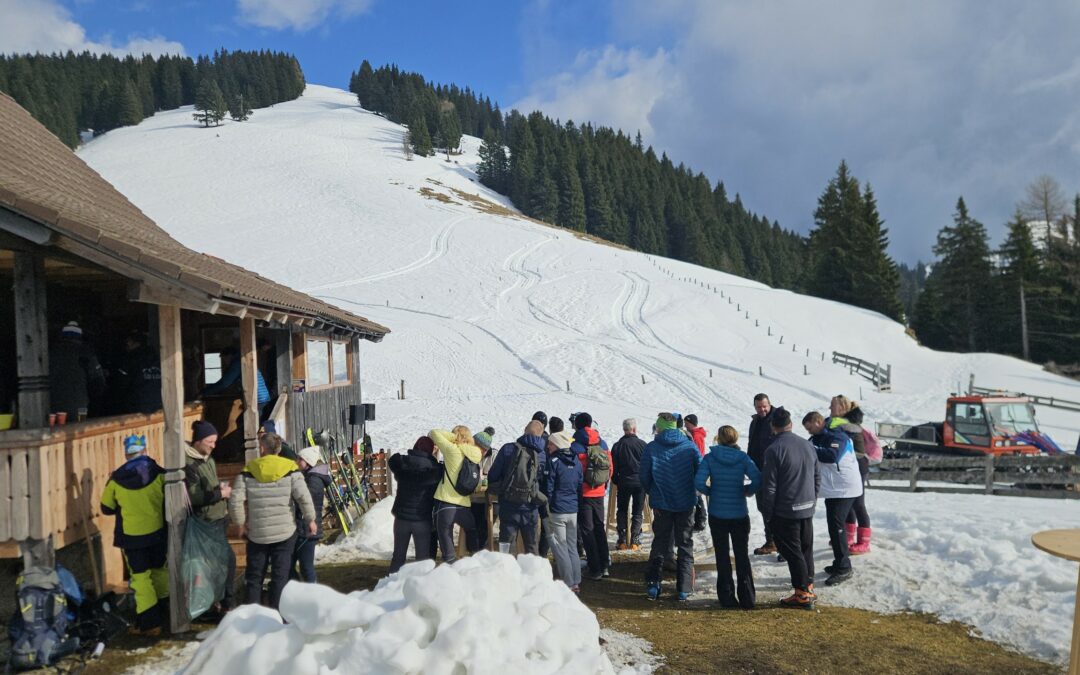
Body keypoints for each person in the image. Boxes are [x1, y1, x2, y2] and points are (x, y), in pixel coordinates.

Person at [230, 432, 317, 609]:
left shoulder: (248, 470)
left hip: (257, 533)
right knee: (280, 576)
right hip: (285, 532)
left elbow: (235, 499)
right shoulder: (291, 469)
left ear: (262, 448)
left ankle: (252, 615)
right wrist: (311, 519)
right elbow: (303, 497)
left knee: (254, 577)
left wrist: (240, 523)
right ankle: (278, 614)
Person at [100, 434, 167, 633]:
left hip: (132, 537)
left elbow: (106, 508)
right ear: (144, 450)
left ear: (126, 453)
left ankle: (149, 623)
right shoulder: (159, 473)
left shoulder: (116, 479)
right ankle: (168, 614)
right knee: (160, 572)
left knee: (140, 579)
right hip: (157, 533)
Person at [760, 409, 820, 609]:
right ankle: (808, 587)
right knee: (806, 549)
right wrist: (812, 499)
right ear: (791, 424)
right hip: (806, 506)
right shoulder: (807, 445)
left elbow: (769, 486)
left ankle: (802, 593)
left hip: (786, 509)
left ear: (773, 426)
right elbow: (816, 477)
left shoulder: (774, 449)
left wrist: (768, 513)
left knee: (792, 551)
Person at [695, 425, 760, 609]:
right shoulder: (743, 458)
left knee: (722, 556)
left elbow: (698, 482)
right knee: (741, 555)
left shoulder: (710, 458)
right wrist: (747, 490)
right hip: (739, 513)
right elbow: (758, 478)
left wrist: (710, 492)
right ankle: (747, 597)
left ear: (719, 439)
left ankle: (727, 597)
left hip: (718, 513)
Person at [640, 412, 702, 601]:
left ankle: (653, 585)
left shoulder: (652, 448)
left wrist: (653, 492)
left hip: (661, 504)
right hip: (685, 503)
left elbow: (643, 476)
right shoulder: (690, 447)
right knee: (685, 544)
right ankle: (684, 587)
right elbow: (700, 473)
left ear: (659, 428)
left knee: (660, 543)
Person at [803, 411, 862, 586]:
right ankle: (839, 562)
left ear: (818, 421)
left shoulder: (838, 436)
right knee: (834, 525)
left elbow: (831, 456)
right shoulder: (817, 438)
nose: (809, 432)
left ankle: (844, 567)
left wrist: (811, 449)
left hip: (844, 488)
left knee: (837, 526)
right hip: (833, 488)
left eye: (810, 428)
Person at [183, 420, 235, 612]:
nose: (214, 446)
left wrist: (219, 488)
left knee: (222, 562)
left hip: (218, 517)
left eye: (215, 441)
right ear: (198, 441)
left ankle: (220, 602)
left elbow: (207, 487)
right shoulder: (190, 465)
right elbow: (194, 496)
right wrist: (220, 494)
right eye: (210, 442)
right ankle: (224, 603)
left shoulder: (208, 459)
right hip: (205, 522)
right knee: (226, 561)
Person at [488, 420, 547, 554]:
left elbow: (493, 475)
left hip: (508, 504)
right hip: (530, 506)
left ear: (525, 430)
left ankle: (505, 572)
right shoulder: (542, 454)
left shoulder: (508, 449)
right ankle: (533, 572)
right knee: (531, 546)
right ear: (541, 434)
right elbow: (541, 479)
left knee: (506, 546)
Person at [388, 436, 442, 573]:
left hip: (401, 519)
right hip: (422, 520)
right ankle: (419, 590)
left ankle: (389, 587)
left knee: (398, 558)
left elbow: (393, 459)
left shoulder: (403, 463)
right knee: (422, 561)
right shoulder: (435, 469)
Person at [430, 426, 482, 563]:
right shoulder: (476, 454)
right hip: (464, 505)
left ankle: (451, 568)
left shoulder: (451, 450)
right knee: (472, 532)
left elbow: (434, 432)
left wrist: (455, 438)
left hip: (445, 503)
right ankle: (476, 562)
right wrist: (464, 439)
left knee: (446, 540)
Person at [572, 412, 612, 580]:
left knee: (587, 530)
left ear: (577, 425)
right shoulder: (602, 443)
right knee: (598, 527)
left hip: (584, 492)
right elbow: (610, 467)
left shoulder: (575, 446)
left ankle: (594, 568)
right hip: (599, 491)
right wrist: (604, 485)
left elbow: (575, 471)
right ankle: (604, 565)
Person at [543, 429, 583, 592]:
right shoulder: (577, 462)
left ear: (557, 444)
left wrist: (549, 505)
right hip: (572, 508)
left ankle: (568, 582)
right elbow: (580, 485)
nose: (548, 447)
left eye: (551, 444)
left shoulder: (553, 462)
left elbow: (549, 487)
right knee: (572, 546)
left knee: (561, 547)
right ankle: (577, 579)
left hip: (558, 509)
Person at [748, 394, 784, 555]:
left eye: (764, 406)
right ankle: (771, 541)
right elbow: (752, 444)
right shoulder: (755, 421)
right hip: (759, 471)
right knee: (764, 507)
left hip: (776, 473)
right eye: (758, 407)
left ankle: (784, 545)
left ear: (770, 404)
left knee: (779, 508)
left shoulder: (778, 419)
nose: (761, 409)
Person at [49, 321, 105, 418]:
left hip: (53, 405)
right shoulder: (86, 353)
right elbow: (98, 382)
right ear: (80, 336)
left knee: (56, 430)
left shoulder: (50, 352)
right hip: (80, 405)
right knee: (80, 428)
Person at [292, 446, 331, 582]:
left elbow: (305, 500)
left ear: (308, 461)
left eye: (300, 459)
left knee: (306, 567)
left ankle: (314, 595)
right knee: (294, 565)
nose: (297, 461)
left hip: (308, 529)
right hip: (304, 527)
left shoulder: (313, 480)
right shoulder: (309, 477)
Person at [202, 347, 271, 416]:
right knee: (240, 421)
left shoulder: (237, 364)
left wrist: (204, 392)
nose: (224, 362)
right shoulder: (242, 361)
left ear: (229, 356)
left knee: (248, 423)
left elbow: (224, 384)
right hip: (263, 398)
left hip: (258, 399)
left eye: (224, 359)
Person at [612, 418, 647, 550]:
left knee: (622, 510)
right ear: (634, 429)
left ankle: (622, 539)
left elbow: (614, 467)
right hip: (639, 483)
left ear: (624, 429)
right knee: (637, 512)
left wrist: (616, 480)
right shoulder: (643, 445)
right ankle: (635, 540)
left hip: (624, 482)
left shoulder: (617, 445)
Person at [842, 404, 873, 555]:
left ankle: (864, 542)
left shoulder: (854, 430)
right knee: (850, 503)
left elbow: (857, 452)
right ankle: (848, 537)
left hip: (859, 469)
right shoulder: (852, 428)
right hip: (855, 469)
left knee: (859, 504)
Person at [115, 330, 162, 414]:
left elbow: (121, 384)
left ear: (136, 342)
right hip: (158, 404)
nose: (126, 344)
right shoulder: (157, 358)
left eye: (128, 341)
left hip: (136, 406)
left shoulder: (130, 359)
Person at [472, 430, 495, 549]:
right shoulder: (468, 454)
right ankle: (473, 548)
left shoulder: (494, 455)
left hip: (488, 499)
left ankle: (483, 546)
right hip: (472, 498)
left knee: (485, 525)